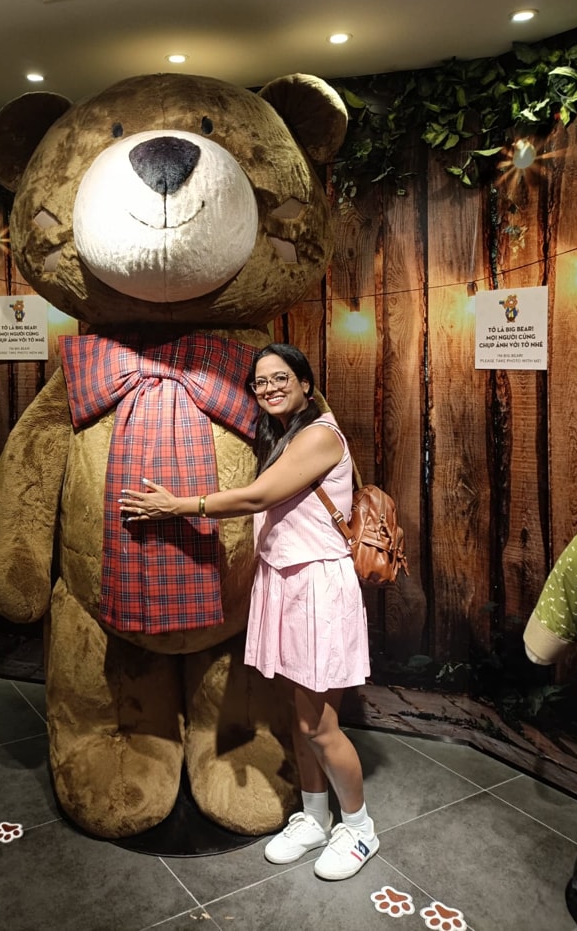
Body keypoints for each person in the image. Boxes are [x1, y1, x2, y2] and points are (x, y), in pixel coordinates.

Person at [119, 342, 377, 881]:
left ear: (307, 384)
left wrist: (177, 506)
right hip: (285, 582)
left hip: (315, 587)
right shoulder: (284, 436)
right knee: (296, 716)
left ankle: (358, 829)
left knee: (319, 723)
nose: (269, 388)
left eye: (281, 377)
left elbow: (259, 497)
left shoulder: (320, 435)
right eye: (260, 382)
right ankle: (313, 816)